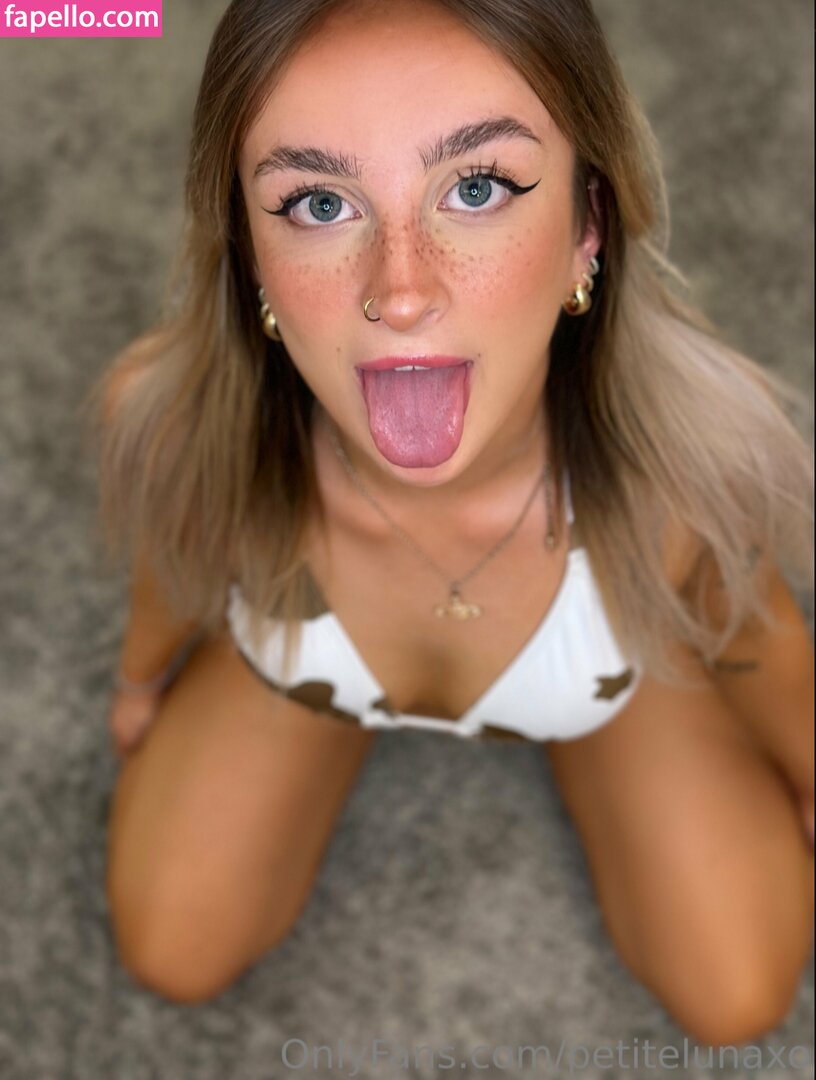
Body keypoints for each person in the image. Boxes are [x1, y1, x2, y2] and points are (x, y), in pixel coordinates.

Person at [83, 0, 814, 1043]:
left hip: (611, 660)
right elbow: (174, 555)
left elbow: (750, 625)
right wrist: (137, 682)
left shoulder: (688, 472)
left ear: (587, 227)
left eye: (476, 188)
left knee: (737, 997)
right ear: (249, 256)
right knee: (173, 949)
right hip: (295, 652)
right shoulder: (177, 423)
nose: (401, 290)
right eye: (318, 203)